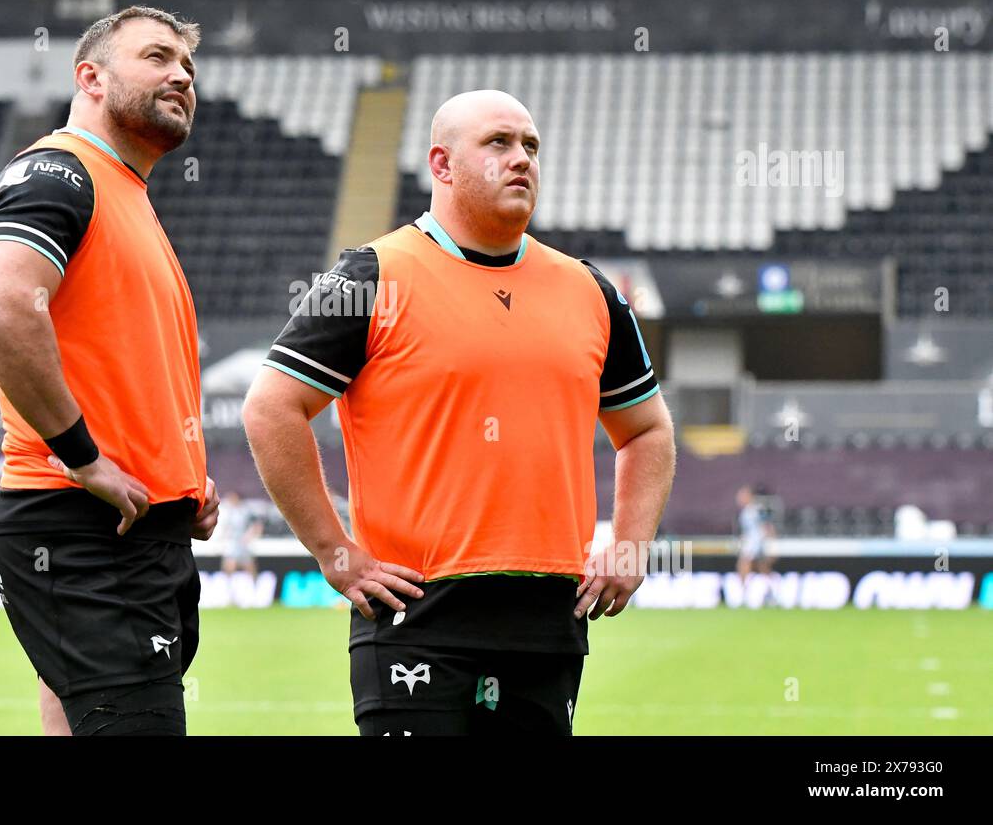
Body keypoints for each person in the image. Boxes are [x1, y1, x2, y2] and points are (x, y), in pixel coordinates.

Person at [243, 89, 677, 736]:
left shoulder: (589, 290)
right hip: (417, 611)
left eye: (530, 146)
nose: (522, 159)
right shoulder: (372, 276)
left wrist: (632, 542)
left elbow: (646, 429)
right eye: (498, 143)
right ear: (441, 166)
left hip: (548, 617)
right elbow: (271, 407)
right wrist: (337, 553)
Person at [0, 6, 219, 736]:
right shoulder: (57, 171)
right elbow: (2, 306)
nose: (181, 75)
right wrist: (84, 458)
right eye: (158, 57)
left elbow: (119, 364)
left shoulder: (126, 195)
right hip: (83, 525)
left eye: (189, 67)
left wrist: (181, 482)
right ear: (92, 78)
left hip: (136, 528)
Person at [736, 485, 776, 591]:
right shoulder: (745, 511)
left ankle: (744, 590)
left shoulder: (758, 509)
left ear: (750, 496)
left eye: (742, 495)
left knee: (745, 563)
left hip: (757, 542)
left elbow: (768, 527)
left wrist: (771, 545)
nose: (740, 498)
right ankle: (771, 590)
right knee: (762, 568)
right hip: (751, 542)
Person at [219, 491, 264, 578]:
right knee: (229, 565)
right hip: (233, 543)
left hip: (243, 544)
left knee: (249, 565)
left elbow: (257, 524)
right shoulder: (229, 511)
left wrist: (250, 535)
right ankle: (229, 587)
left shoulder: (245, 511)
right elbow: (226, 527)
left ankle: (254, 585)